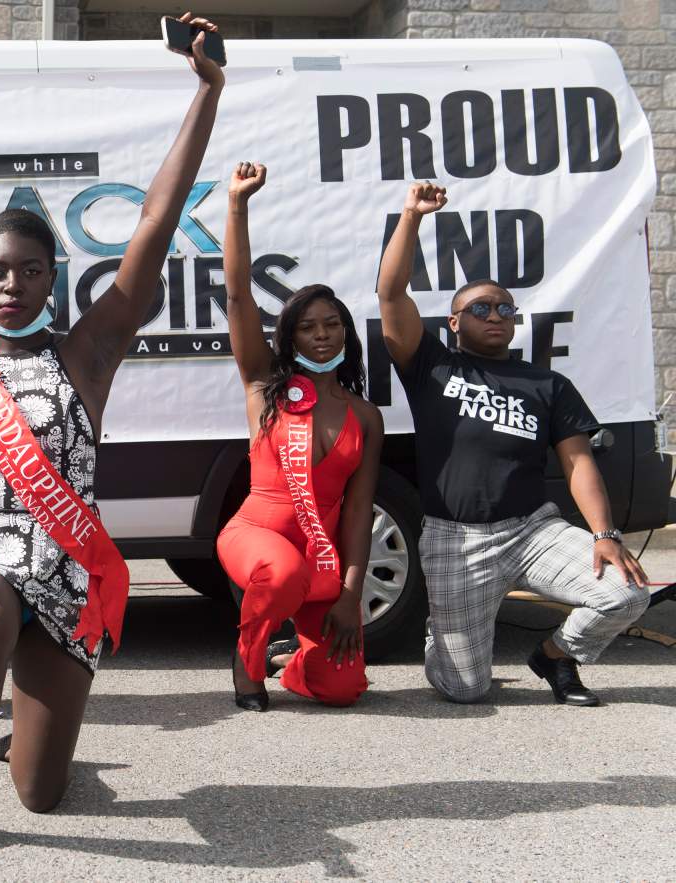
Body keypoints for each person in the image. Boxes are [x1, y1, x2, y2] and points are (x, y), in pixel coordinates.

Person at [0, 13, 224, 865]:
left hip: (69, 572)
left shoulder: (84, 355)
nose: (13, 285)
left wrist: (207, 92)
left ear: (53, 279)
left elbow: (154, 223)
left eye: (31, 271)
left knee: (46, 792)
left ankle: (20, 744)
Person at [377, 181, 651, 706]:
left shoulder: (547, 385)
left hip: (532, 530)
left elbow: (578, 464)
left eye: (505, 308)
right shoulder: (432, 365)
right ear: (454, 322)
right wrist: (411, 216)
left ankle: (555, 656)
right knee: (463, 690)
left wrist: (605, 533)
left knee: (626, 591)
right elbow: (391, 294)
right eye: (482, 308)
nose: (497, 315)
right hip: (455, 541)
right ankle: (449, 638)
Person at [215, 162, 383, 712]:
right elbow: (238, 296)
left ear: (345, 331)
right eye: (307, 326)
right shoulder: (265, 386)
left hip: (322, 558)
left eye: (330, 323)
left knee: (343, 690)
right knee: (281, 572)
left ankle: (297, 670)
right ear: (290, 336)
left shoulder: (365, 415)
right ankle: (249, 661)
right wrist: (238, 205)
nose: (319, 335)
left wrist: (352, 594)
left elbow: (359, 513)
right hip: (255, 539)